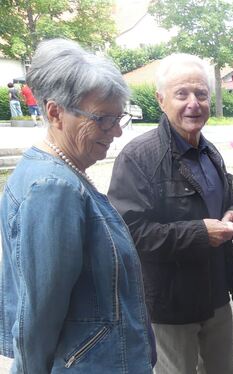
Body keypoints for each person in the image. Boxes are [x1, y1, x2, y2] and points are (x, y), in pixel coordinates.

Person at [0, 39, 155, 373]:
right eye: (103, 119)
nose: (116, 131)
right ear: (55, 112)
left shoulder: (60, 173)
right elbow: (37, 318)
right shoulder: (53, 188)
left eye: (119, 117)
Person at [108, 53, 233, 374]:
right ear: (160, 100)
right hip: (170, 307)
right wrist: (200, 233)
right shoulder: (138, 157)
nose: (193, 103)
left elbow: (225, 201)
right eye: (181, 94)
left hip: (216, 296)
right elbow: (130, 234)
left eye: (201, 94)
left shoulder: (210, 152)